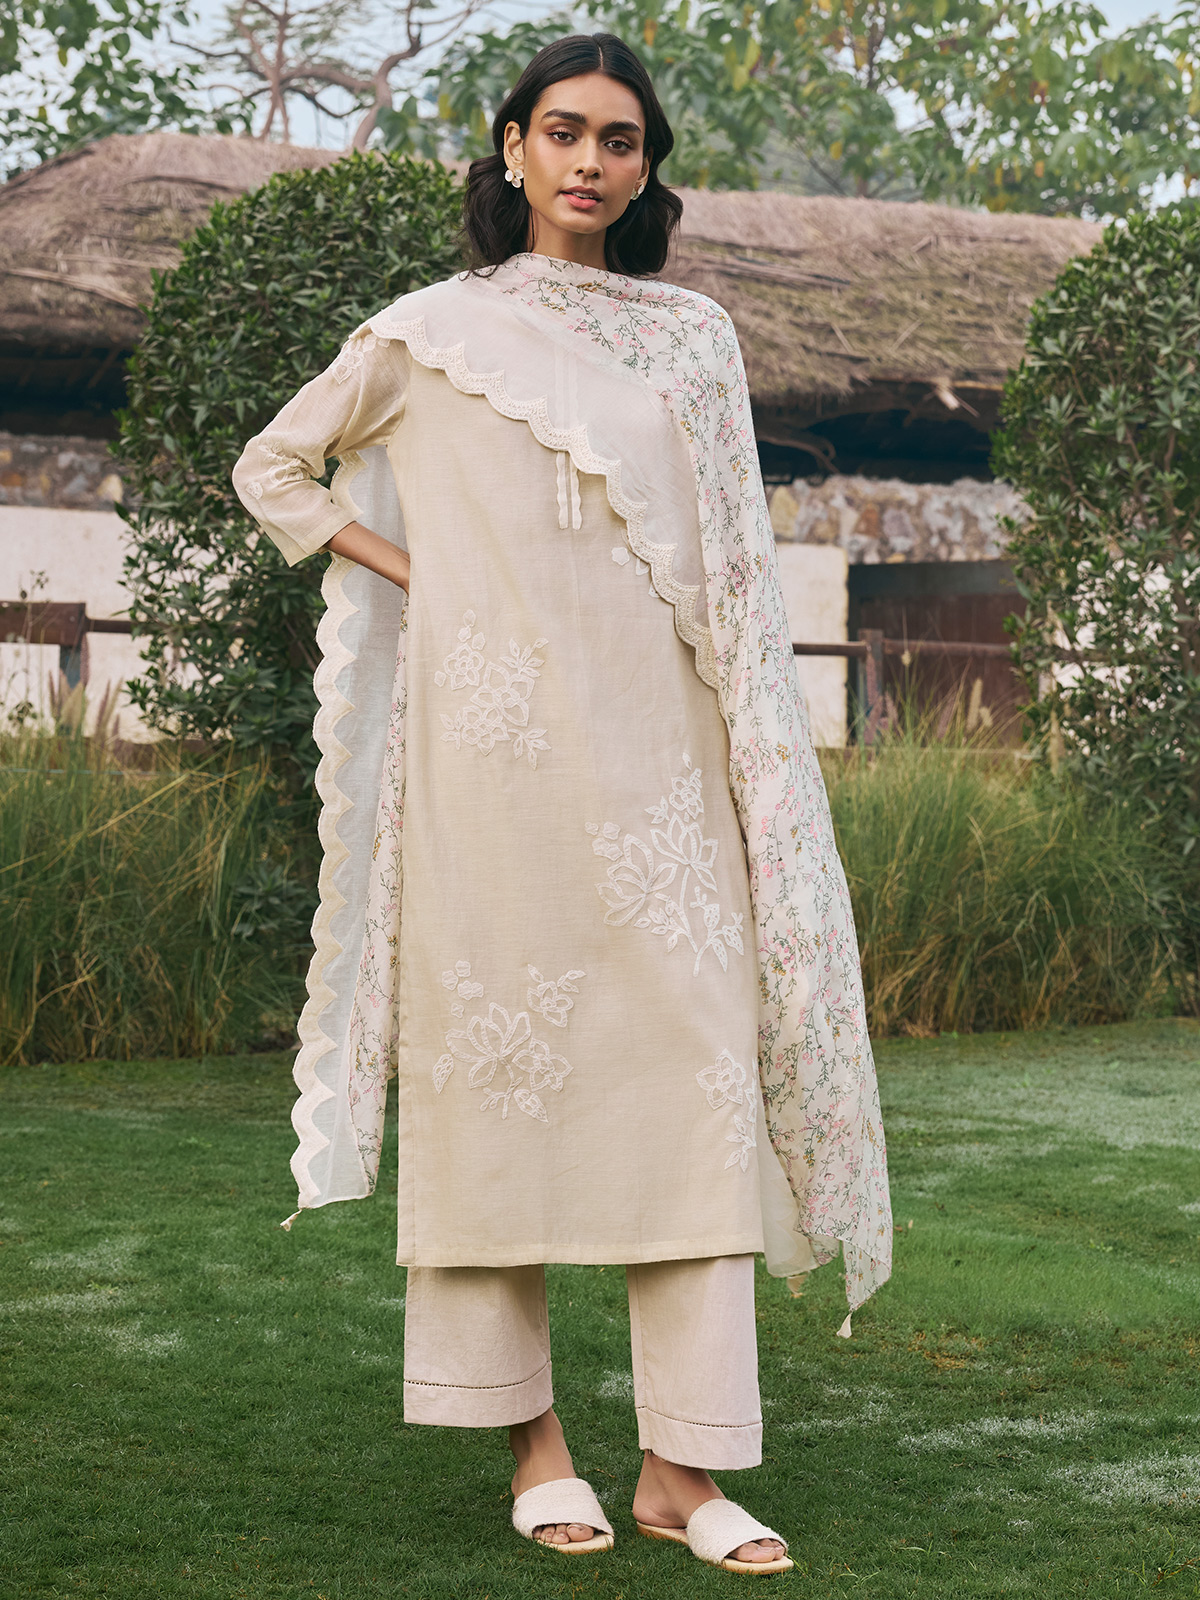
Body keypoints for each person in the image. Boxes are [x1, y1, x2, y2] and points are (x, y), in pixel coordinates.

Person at [233, 31, 892, 1575]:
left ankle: (683, 1467)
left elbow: (733, 568)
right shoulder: (430, 331)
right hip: (494, 780)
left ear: (646, 165)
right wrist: (420, 574)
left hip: (669, 775)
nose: (592, 161)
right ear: (513, 148)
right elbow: (276, 468)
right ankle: (533, 1444)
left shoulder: (693, 341)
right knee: (496, 1096)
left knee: (695, 1097)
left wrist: (757, 772)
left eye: (621, 139)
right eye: (565, 132)